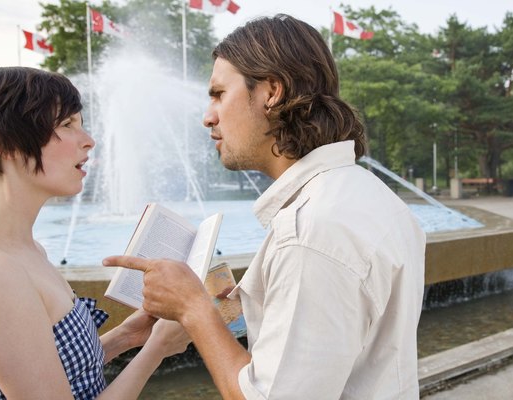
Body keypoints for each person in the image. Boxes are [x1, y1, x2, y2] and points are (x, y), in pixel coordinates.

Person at [104, 14, 426, 399]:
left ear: (271, 91)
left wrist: (194, 308)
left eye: (219, 94)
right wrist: (242, 307)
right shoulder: (366, 194)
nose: (208, 116)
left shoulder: (310, 231)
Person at [0, 67, 190, 399]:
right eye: (66, 125)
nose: (89, 139)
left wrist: (125, 338)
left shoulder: (27, 251)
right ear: (5, 143)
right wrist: (156, 350)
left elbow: (54, 372)